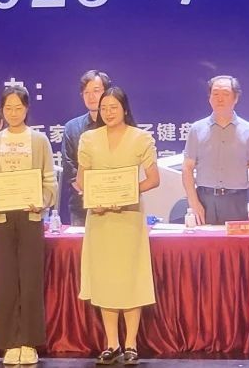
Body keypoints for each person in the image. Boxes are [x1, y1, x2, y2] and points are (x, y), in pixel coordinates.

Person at [77, 87, 159, 365]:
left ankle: (131, 344)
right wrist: (94, 199)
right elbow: (82, 179)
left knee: (130, 278)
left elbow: (153, 179)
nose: (108, 113)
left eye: (113, 107)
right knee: (105, 280)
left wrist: (127, 194)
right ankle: (111, 343)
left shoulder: (141, 138)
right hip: (100, 219)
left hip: (129, 218)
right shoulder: (89, 138)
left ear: (124, 108)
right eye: (104, 108)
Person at [0, 86, 57, 365]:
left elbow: (49, 180)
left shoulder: (39, 140)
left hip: (30, 216)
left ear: (26, 109)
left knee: (31, 280)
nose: (13, 113)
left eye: (18, 108)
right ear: (2, 111)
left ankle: (30, 342)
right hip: (2, 217)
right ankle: (10, 342)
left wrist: (41, 202)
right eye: (8, 108)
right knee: (6, 280)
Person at [180, 75, 249, 225]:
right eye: (215, 94)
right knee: (204, 240)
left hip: (236, 200)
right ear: (209, 98)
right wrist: (194, 203)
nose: (219, 99)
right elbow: (187, 168)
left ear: (235, 98)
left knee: (235, 240)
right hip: (204, 199)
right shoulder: (197, 129)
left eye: (225, 94)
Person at [61, 70, 112, 225]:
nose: (91, 96)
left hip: (116, 204)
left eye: (96, 91)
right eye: (86, 92)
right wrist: (90, 194)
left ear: (107, 92)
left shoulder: (118, 127)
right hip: (82, 208)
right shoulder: (72, 128)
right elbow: (70, 169)